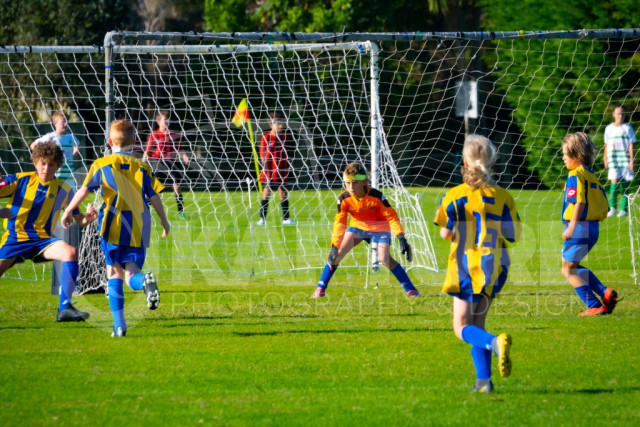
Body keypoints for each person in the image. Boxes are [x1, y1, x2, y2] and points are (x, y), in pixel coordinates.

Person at [62, 119, 171, 337]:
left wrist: (69, 210)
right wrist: (164, 221)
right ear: (134, 142)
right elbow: (154, 197)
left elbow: (84, 190)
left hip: (113, 224)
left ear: (110, 142)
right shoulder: (142, 166)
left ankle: (119, 325)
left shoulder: (101, 164)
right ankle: (144, 281)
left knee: (113, 272)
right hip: (139, 225)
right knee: (131, 274)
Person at [434, 135, 521, 393]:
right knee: (477, 326)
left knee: (461, 327)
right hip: (495, 266)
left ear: (464, 162)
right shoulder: (503, 196)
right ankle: (483, 382)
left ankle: (495, 343)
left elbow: (445, 233)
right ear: (493, 163)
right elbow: (514, 235)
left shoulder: (454, 195)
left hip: (466, 267)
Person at [0, 141, 97, 322]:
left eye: (51, 164)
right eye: (42, 163)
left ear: (58, 165)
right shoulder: (20, 179)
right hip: (16, 238)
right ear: (35, 162)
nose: (46, 168)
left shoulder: (65, 190)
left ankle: (65, 308)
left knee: (71, 253)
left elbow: (79, 220)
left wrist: (88, 219)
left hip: (43, 240)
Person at [310, 162, 419, 298]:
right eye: (348, 183)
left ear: (364, 182)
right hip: (358, 226)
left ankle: (411, 290)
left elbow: (391, 216)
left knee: (384, 258)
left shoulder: (376, 196)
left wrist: (401, 237)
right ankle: (320, 289)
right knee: (336, 254)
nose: (351, 187)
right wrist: (335, 246)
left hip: (380, 227)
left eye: (355, 183)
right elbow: (340, 223)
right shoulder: (344, 198)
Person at [560, 132, 618, 316]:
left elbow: (580, 202)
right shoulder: (591, 176)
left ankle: (594, 305)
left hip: (579, 227)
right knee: (572, 266)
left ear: (577, 156)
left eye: (565, 154)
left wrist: (571, 226)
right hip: (593, 228)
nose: (563, 158)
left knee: (568, 270)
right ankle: (605, 292)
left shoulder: (574, 175)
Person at [143, 110, 190, 220]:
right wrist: (142, 163)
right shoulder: (154, 135)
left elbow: (180, 147)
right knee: (155, 188)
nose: (167, 121)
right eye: (164, 119)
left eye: (168, 119)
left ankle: (181, 212)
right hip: (158, 162)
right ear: (158, 122)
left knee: (177, 185)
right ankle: (146, 209)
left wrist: (184, 156)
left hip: (172, 161)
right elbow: (148, 150)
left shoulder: (175, 134)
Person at [257, 112, 295, 225]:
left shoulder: (284, 137)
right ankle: (262, 218)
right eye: (278, 124)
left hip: (282, 169)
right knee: (266, 192)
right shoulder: (266, 137)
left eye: (281, 124)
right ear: (271, 125)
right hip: (269, 170)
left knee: (283, 193)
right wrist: (265, 166)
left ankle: (286, 218)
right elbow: (262, 154)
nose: (281, 126)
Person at [30, 111, 80, 187]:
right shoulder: (50, 137)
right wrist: (45, 156)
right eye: (63, 122)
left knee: (71, 193)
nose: (66, 124)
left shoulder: (71, 137)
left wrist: (73, 156)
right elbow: (33, 145)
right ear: (55, 124)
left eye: (67, 122)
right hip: (55, 173)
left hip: (69, 174)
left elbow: (77, 146)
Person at [604, 105, 635, 217]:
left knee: (624, 184)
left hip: (624, 159)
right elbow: (606, 144)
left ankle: (624, 210)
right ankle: (612, 208)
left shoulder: (628, 128)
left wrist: (631, 160)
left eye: (622, 113)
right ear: (613, 114)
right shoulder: (609, 128)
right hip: (613, 158)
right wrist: (605, 158)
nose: (620, 116)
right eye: (618, 113)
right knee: (614, 182)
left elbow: (631, 144)